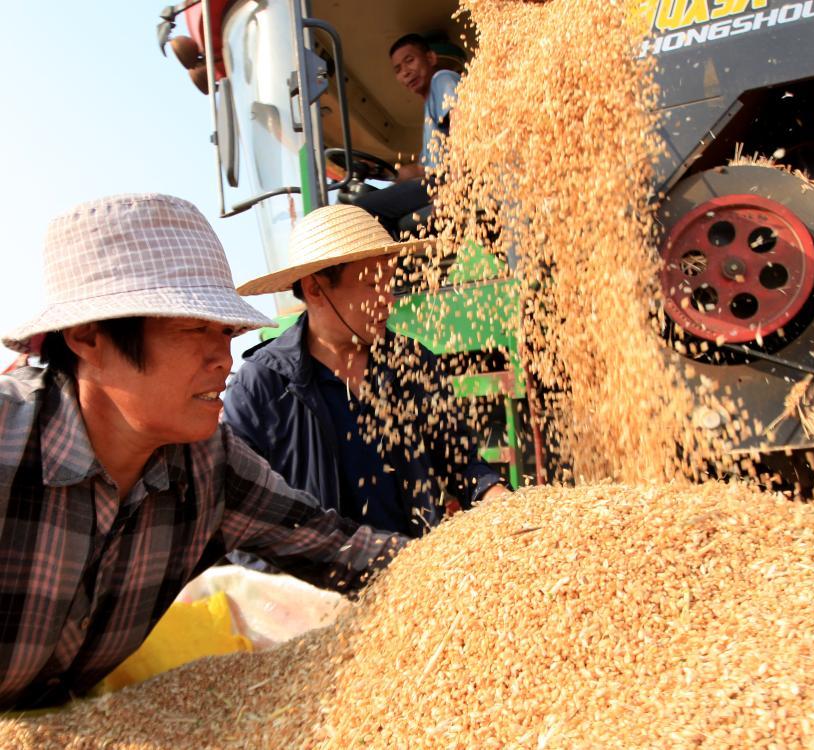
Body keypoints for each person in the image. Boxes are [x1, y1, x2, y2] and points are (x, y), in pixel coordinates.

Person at [0, 194, 403, 710]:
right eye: (194, 328)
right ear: (86, 335)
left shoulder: (208, 467)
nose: (223, 357)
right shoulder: (13, 448)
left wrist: (473, 560)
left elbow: (339, 549)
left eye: (227, 331)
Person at [224, 204, 507, 541]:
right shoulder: (263, 386)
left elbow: (460, 462)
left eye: (389, 284)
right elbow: (237, 514)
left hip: (416, 573)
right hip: (319, 589)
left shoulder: (411, 362)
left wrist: (495, 496)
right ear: (316, 289)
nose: (388, 300)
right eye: (373, 286)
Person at [352, 33, 461, 237]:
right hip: (435, 180)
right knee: (372, 198)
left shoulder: (442, 79)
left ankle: (394, 263)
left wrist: (451, 188)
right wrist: (377, 171)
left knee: (360, 209)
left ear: (431, 58)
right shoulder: (430, 109)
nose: (406, 72)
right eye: (398, 69)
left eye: (410, 61)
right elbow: (422, 168)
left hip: (448, 180)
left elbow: (462, 126)